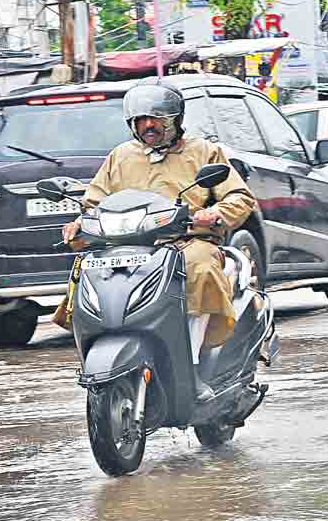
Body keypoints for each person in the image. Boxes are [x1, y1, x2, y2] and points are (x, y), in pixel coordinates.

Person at [53, 79, 257, 400]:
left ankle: (193, 364)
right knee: (86, 269)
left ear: (176, 120)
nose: (149, 125)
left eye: (157, 118)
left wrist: (215, 213)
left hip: (186, 242)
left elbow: (239, 197)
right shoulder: (120, 156)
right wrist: (80, 223)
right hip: (129, 245)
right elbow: (94, 202)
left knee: (200, 268)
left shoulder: (204, 151)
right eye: (141, 119)